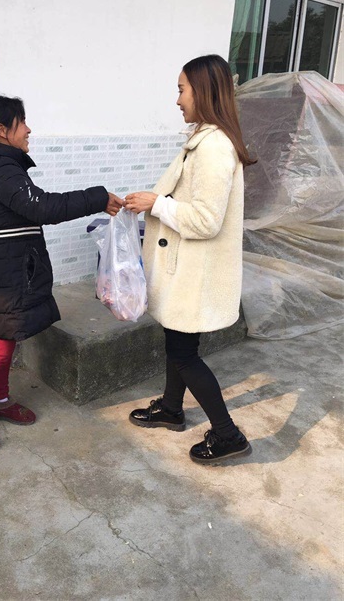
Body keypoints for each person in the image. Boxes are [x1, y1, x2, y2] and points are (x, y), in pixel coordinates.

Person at [0, 95, 123, 452]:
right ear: (3, 130)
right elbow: (43, 207)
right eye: (22, 122)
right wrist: (98, 197)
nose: (28, 129)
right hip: (2, 273)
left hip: (9, 267)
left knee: (7, 337)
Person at [124, 54, 256, 465]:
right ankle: (171, 408)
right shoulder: (205, 139)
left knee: (183, 353)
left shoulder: (214, 147)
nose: (177, 99)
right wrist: (154, 202)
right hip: (187, 269)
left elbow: (205, 220)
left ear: (203, 91)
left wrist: (156, 203)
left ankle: (228, 435)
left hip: (194, 273)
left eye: (182, 89)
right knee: (178, 343)